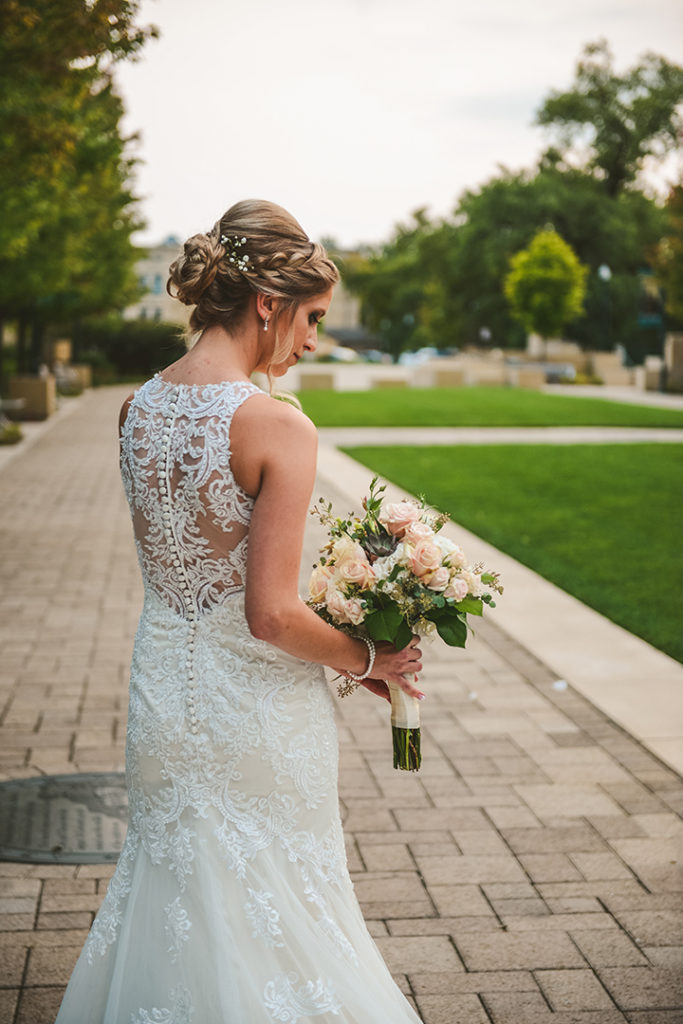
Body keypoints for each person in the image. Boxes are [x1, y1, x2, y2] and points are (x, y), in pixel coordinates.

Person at [56, 199, 424, 1023]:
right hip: (255, 715)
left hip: (163, 698)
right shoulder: (274, 426)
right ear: (266, 303)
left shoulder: (135, 408)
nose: (312, 341)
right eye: (311, 319)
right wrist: (370, 660)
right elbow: (269, 615)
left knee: (176, 899)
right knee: (284, 910)